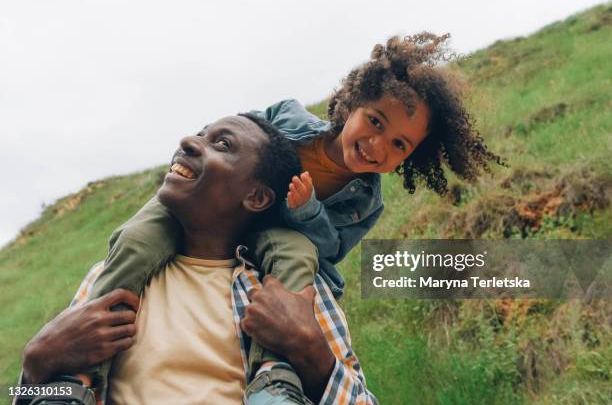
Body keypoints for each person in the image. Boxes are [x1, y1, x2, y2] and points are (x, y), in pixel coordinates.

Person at [74, 33, 506, 402]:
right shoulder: (289, 116)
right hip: (212, 207)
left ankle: (274, 377)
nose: (377, 145)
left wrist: (307, 210)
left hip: (277, 236)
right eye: (374, 122)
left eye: (398, 146)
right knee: (136, 240)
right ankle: (82, 360)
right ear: (351, 104)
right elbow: (233, 133)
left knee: (299, 256)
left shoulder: (367, 201)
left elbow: (331, 250)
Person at [15, 114, 377, 405]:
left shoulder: (292, 293)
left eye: (222, 144)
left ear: (256, 197)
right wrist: (34, 366)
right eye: (200, 134)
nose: (188, 142)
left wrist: (313, 354)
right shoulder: (110, 275)